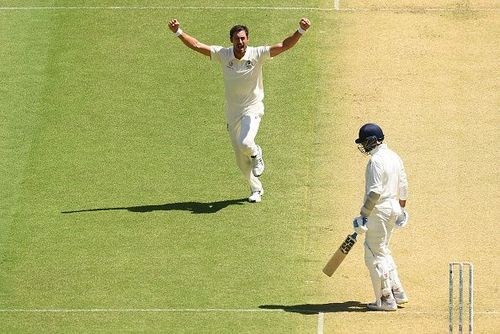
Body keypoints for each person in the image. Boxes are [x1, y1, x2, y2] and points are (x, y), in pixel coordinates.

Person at [168, 17, 311, 203]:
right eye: (237, 39)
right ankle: (256, 189)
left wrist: (300, 30)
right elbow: (196, 45)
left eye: (243, 38)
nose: (240, 42)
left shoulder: (257, 54)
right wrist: (178, 32)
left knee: (246, 142)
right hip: (232, 113)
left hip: (253, 108)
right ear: (231, 40)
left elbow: (283, 45)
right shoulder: (223, 54)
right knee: (240, 161)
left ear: (248, 39)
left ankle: (256, 152)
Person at [352, 123, 409, 311]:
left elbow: (375, 191)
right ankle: (397, 290)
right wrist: (401, 210)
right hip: (393, 208)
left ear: (372, 141)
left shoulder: (376, 161)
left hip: (380, 210)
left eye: (364, 142)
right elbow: (403, 186)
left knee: (373, 254)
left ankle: (386, 299)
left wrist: (363, 214)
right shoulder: (394, 156)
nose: (363, 147)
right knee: (382, 250)